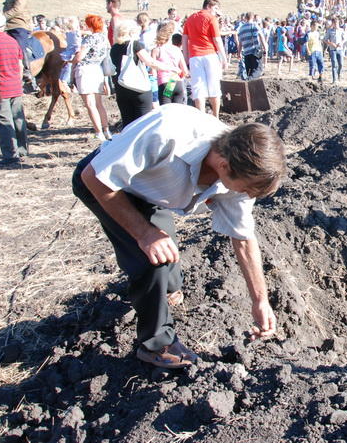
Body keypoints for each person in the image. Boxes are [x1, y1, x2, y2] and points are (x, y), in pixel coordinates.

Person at [72, 104, 287, 368]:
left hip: (150, 192)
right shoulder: (168, 131)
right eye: (246, 190)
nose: (247, 197)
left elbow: (242, 237)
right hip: (106, 183)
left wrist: (260, 301)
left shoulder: (240, 170)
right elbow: (94, 176)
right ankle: (155, 345)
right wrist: (144, 233)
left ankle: (166, 289)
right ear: (223, 165)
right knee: (153, 260)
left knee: (169, 272)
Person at [110, 20, 179, 127]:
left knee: (128, 123)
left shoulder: (114, 48)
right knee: (143, 123)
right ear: (132, 32)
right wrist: (170, 68)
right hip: (138, 89)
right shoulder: (135, 45)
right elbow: (150, 62)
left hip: (121, 89)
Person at [0, 12, 28, 165]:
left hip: (1, 87)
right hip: (15, 85)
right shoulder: (13, 41)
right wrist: (18, 81)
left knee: (4, 121)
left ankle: (10, 155)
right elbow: (20, 65)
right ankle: (22, 150)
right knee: (18, 118)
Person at [182, 0, 226, 117]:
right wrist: (224, 58)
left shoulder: (190, 19)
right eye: (215, 8)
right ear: (209, 6)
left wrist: (186, 60)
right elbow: (217, 40)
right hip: (210, 55)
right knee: (214, 87)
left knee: (198, 89)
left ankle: (201, 117)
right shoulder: (211, 18)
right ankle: (215, 116)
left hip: (194, 57)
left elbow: (184, 40)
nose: (216, 11)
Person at [72, 15, 112, 140]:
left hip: (85, 70)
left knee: (90, 104)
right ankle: (106, 129)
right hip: (97, 69)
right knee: (99, 103)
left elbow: (80, 57)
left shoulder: (89, 39)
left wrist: (71, 60)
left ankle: (98, 131)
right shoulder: (103, 39)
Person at [0, 0, 34, 91]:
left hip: (19, 25)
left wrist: (1, 17)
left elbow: (17, 9)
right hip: (6, 26)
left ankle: (27, 73)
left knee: (20, 45)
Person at [151, 21, 189, 105]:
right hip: (177, 82)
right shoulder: (177, 49)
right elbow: (185, 71)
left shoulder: (156, 50)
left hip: (165, 83)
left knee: (166, 111)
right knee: (177, 111)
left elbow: (153, 72)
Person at [236, 12, 267, 80]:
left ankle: (248, 86)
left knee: (249, 72)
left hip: (246, 52)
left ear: (245, 18)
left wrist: (239, 53)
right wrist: (265, 48)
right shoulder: (255, 25)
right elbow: (261, 36)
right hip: (255, 51)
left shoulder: (241, 28)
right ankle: (252, 84)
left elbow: (240, 42)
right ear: (253, 17)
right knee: (257, 71)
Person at [324, 17, 346, 83]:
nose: (336, 24)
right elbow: (325, 40)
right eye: (335, 23)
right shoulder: (329, 31)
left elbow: (344, 39)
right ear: (333, 23)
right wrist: (331, 43)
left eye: (337, 23)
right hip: (332, 49)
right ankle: (334, 79)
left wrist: (341, 43)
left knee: (341, 64)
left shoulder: (341, 30)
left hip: (340, 49)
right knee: (334, 64)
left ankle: (339, 74)